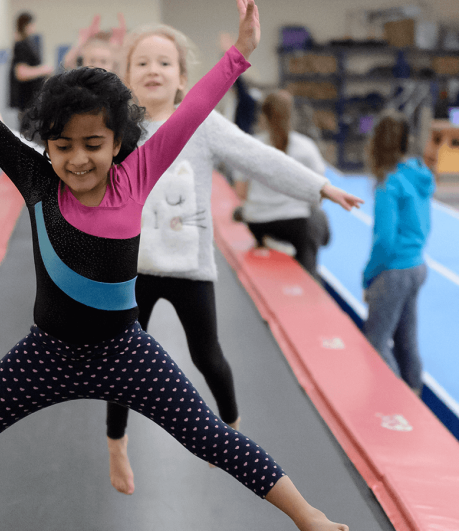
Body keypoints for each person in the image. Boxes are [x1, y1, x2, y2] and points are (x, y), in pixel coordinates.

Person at [0, 2, 349, 530]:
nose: (78, 159)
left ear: (119, 142)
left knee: (210, 434)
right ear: (46, 144)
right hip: (47, 352)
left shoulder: (136, 176)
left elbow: (193, 110)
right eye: (62, 146)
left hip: (125, 351)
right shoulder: (37, 179)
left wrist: (239, 54)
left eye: (94, 144)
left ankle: (309, 517)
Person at [105, 25, 362, 495]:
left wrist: (318, 187)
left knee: (209, 357)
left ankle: (231, 429)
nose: (153, 71)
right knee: (121, 362)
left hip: (190, 267)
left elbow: (258, 157)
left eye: (165, 63)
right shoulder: (117, 128)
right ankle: (117, 443)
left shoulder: (200, 123)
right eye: (141, 63)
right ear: (125, 76)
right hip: (131, 267)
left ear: (184, 79)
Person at [362, 110, 434, 396]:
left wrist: (369, 277)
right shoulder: (418, 175)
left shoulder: (389, 183)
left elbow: (384, 241)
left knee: (376, 341)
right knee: (406, 340)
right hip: (417, 266)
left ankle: (396, 403)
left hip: (394, 270)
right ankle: (413, 392)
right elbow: (424, 225)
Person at [234, 90, 331, 277]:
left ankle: (270, 241)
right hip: (295, 226)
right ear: (291, 116)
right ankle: (309, 274)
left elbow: (241, 193)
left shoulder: (250, 147)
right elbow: (320, 193)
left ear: (263, 117)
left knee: (311, 220)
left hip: (257, 224)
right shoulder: (305, 147)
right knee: (316, 219)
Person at [9, 11, 53, 124]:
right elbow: (21, 73)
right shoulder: (21, 45)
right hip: (27, 102)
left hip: (33, 101)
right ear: (26, 25)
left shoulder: (27, 43)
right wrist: (43, 70)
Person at [61, 14, 126, 73]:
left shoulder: (117, 82)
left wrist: (119, 46)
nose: (97, 66)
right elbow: (68, 63)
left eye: (103, 61)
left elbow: (122, 65)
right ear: (83, 62)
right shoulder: (80, 79)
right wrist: (80, 43)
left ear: (114, 66)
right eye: (92, 61)